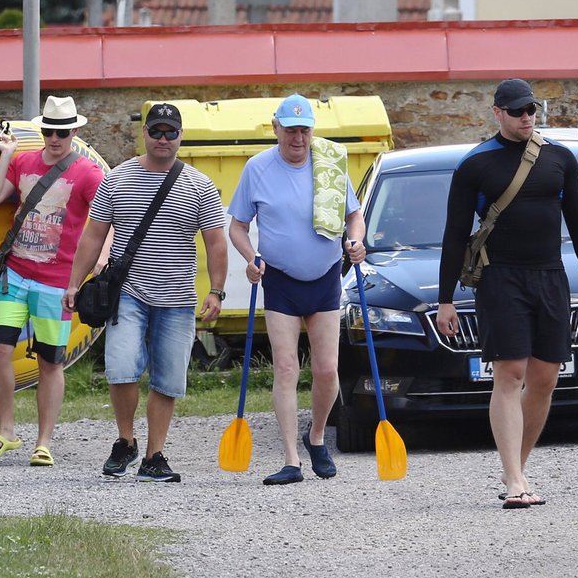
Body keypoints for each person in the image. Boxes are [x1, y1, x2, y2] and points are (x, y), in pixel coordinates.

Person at [436, 78, 578, 508]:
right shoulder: (475, 165)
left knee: (545, 378)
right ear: (497, 113)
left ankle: (518, 468)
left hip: (550, 276)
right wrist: (444, 300)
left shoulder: (560, 159)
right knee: (510, 373)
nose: (526, 117)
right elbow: (455, 235)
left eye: (531, 109)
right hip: (501, 278)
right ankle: (514, 479)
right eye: (516, 111)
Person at [64, 102, 228, 483]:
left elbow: (216, 243)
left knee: (167, 380)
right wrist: (74, 281)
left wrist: (216, 291)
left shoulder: (199, 185)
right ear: (145, 134)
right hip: (129, 293)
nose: (163, 139)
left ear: (181, 136)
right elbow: (93, 236)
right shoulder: (118, 179)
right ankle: (126, 441)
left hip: (178, 297)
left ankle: (155, 455)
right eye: (156, 131)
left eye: (171, 132)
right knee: (121, 369)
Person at [227, 94, 366, 486]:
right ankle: (291, 460)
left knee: (326, 371)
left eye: (304, 130)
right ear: (276, 128)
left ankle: (316, 436)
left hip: (325, 279)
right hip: (281, 281)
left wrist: (356, 241)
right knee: (287, 368)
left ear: (312, 131)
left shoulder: (330, 164)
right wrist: (251, 257)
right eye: (290, 130)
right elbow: (237, 225)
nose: (298, 138)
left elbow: (354, 215)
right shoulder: (257, 168)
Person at [0, 95, 106, 467]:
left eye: (62, 131)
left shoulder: (88, 173)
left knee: (50, 362)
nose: (54, 138)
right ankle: (7, 431)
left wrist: (99, 258)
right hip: (15, 273)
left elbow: (104, 218)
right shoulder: (25, 162)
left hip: (57, 280)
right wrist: (6, 155)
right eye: (49, 130)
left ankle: (44, 441)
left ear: (75, 132)